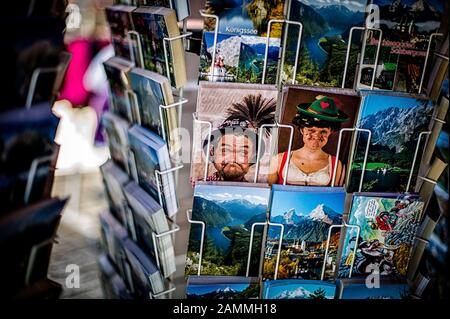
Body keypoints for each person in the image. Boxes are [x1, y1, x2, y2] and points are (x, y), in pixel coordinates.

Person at [268, 95, 349, 186]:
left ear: (330, 132)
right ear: (302, 130)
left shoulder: (336, 164)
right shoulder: (278, 159)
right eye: (311, 130)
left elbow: (333, 195)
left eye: (323, 132)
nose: (316, 136)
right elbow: (269, 191)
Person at [202, 94, 276, 182]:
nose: (233, 159)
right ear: (212, 152)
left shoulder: (254, 193)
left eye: (243, 152)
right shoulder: (196, 188)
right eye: (225, 150)